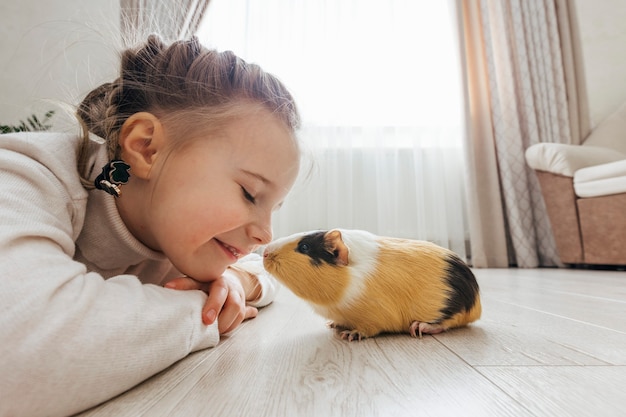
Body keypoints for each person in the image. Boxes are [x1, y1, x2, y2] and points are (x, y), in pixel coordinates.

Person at [0, 34, 301, 417]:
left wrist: (237, 284)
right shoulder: (23, 176)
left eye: (275, 207)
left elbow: (261, 272)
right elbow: (18, 355)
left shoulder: (177, 232)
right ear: (146, 148)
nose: (266, 234)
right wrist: (202, 311)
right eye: (249, 193)